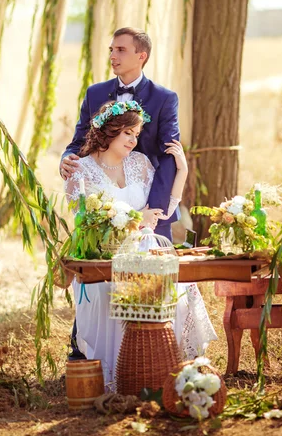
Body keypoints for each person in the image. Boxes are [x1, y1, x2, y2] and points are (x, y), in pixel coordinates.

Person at [65, 101, 217, 386]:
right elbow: (86, 222)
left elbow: (165, 211)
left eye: (137, 134)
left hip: (145, 248)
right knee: (110, 289)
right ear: (109, 131)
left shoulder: (140, 163)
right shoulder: (80, 170)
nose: (134, 141)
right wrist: (136, 218)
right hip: (105, 254)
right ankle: (120, 374)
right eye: (128, 134)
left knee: (176, 282)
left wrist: (181, 171)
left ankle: (172, 368)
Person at [60, 27, 179, 239]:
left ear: (141, 56)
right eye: (111, 49)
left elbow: (168, 155)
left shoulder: (164, 98)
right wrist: (65, 158)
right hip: (106, 209)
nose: (113, 56)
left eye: (121, 50)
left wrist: (151, 214)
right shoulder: (94, 93)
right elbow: (79, 140)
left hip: (151, 207)